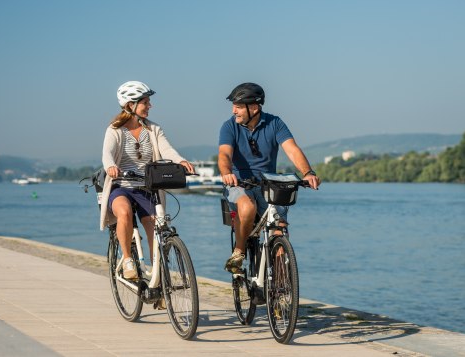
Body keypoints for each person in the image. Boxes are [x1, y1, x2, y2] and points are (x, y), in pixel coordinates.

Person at [218, 82, 321, 273]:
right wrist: (226, 173)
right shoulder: (229, 127)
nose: (234, 111)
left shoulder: (275, 123)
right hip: (238, 183)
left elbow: (292, 149)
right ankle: (239, 252)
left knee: (279, 227)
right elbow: (224, 154)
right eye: (234, 106)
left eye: (239, 107)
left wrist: (307, 172)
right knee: (247, 207)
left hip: (267, 185)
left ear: (254, 108)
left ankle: (282, 285)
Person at [100, 80, 194, 280]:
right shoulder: (115, 130)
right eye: (145, 102)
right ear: (130, 105)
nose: (150, 106)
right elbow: (107, 153)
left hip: (146, 187)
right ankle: (127, 260)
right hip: (121, 187)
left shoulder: (153, 129)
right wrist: (110, 166)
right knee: (124, 213)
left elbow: (166, 149)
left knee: (154, 224)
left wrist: (181, 161)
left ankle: (159, 274)